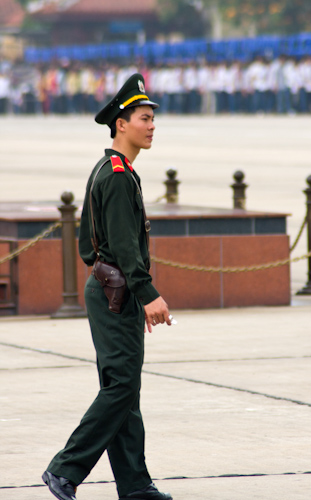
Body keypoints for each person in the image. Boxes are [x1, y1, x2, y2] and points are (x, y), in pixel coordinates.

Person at [42, 73, 173, 500]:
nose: (152, 125)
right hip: (116, 291)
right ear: (121, 123)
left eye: (153, 118)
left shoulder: (112, 168)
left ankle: (135, 484)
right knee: (120, 387)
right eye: (144, 117)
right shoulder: (116, 174)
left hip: (110, 290)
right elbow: (122, 246)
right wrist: (147, 293)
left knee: (124, 388)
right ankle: (65, 469)